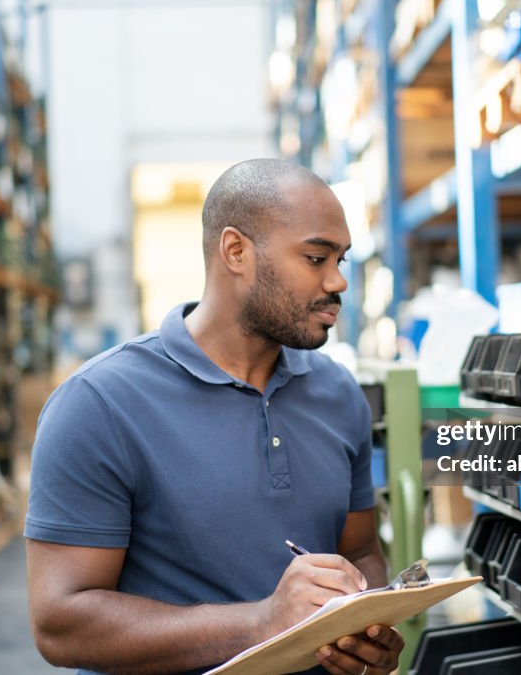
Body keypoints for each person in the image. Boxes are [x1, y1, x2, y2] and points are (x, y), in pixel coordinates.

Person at [25, 159, 405, 675]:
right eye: (316, 257)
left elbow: (361, 554)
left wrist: (370, 628)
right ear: (235, 251)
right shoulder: (99, 405)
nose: (338, 281)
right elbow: (61, 623)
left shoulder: (339, 395)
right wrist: (260, 623)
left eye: (341, 259)